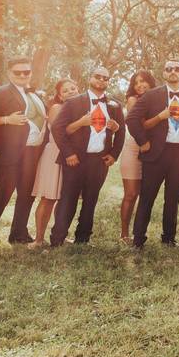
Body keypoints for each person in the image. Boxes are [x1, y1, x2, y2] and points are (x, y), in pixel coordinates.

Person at [127, 60, 179, 249]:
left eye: (177, 69)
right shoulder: (151, 96)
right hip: (156, 153)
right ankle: (138, 239)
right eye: (168, 69)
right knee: (147, 196)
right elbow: (132, 119)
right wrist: (143, 142)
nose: (173, 72)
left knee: (173, 197)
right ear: (164, 73)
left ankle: (169, 238)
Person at [0, 57, 47, 249]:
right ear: (9, 73)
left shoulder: (36, 95)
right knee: (1, 195)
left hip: (33, 153)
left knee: (27, 194)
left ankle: (18, 233)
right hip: (9, 154)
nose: (23, 75)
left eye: (26, 72)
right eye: (18, 72)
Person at [49, 66, 125, 246]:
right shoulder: (74, 102)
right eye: (97, 76)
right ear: (90, 78)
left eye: (105, 78)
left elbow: (121, 132)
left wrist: (114, 154)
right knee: (68, 199)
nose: (101, 80)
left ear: (108, 82)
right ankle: (57, 239)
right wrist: (68, 153)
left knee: (91, 199)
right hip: (75, 159)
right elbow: (57, 128)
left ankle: (83, 239)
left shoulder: (114, 105)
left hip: (99, 160)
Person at [29, 78, 78, 247]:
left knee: (64, 199)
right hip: (55, 155)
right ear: (59, 96)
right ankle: (39, 238)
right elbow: (60, 132)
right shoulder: (57, 108)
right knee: (48, 198)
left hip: (72, 157)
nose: (70, 92)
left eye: (73, 88)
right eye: (65, 90)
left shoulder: (80, 109)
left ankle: (59, 234)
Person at [119, 70, 156, 244]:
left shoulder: (156, 98)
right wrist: (161, 116)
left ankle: (138, 232)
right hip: (134, 148)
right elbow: (141, 125)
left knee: (144, 194)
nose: (140, 85)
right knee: (131, 193)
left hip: (150, 150)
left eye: (144, 81)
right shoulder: (133, 100)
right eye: (136, 82)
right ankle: (124, 233)